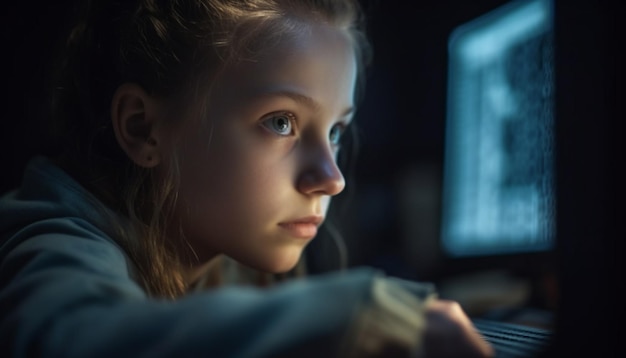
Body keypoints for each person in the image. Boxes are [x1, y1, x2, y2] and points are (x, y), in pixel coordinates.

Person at [0, 0, 494, 357]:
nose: (331, 178)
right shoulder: (48, 239)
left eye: (337, 130)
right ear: (142, 128)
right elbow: (67, 338)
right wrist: (367, 315)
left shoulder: (220, 256)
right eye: (280, 122)